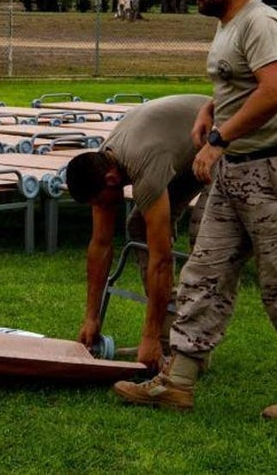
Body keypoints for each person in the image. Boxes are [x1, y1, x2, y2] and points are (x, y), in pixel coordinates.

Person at [112, 0, 277, 421]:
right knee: (203, 275)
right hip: (236, 172)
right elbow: (244, 83)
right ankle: (177, 381)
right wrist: (211, 106)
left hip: (274, 172)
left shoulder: (261, 22)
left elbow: (276, 91)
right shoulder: (230, 26)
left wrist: (219, 138)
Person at [65, 94, 211, 373]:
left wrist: (148, 337)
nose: (101, 209)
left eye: (99, 202)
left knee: (205, 242)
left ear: (111, 180)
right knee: (139, 226)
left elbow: (162, 258)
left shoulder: (143, 164)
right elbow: (100, 244)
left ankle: (193, 350)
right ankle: (169, 337)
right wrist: (91, 318)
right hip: (183, 147)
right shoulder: (105, 163)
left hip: (228, 144)